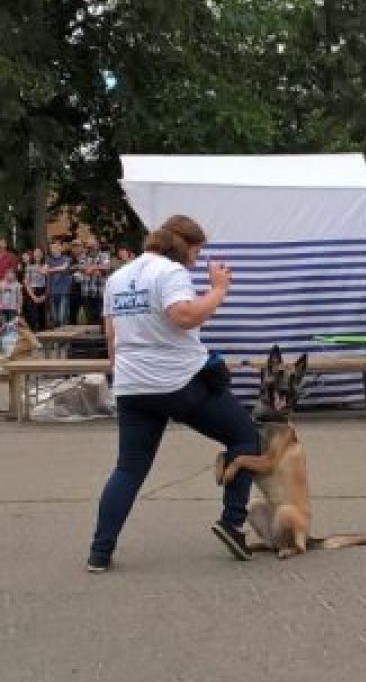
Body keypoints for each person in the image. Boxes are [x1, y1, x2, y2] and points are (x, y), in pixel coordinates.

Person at [86, 214, 258, 573]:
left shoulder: (118, 277)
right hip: (178, 381)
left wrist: (124, 379)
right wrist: (219, 289)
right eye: (197, 251)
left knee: (129, 468)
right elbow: (182, 316)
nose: (197, 259)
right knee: (245, 437)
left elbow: (111, 336)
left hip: (132, 385)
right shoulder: (170, 272)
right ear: (184, 245)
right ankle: (232, 522)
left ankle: (100, 552)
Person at [46, 240, 77, 329]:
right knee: (55, 318)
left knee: (62, 317)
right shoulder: (49, 260)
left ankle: (64, 339)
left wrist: (50, 269)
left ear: (60, 248)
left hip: (63, 291)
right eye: (51, 248)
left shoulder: (67, 258)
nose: (53, 249)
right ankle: (57, 338)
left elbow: (64, 268)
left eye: (55, 247)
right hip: (52, 291)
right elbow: (44, 270)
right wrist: (52, 269)